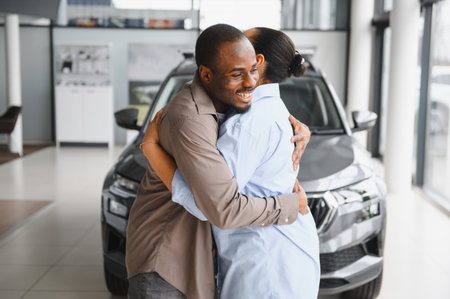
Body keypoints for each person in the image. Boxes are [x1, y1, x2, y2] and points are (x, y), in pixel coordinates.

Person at [126, 24, 311, 299]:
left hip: (261, 258)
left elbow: (222, 203)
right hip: (169, 260)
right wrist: (150, 148)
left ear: (256, 61)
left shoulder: (249, 116)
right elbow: (220, 208)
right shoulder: (204, 115)